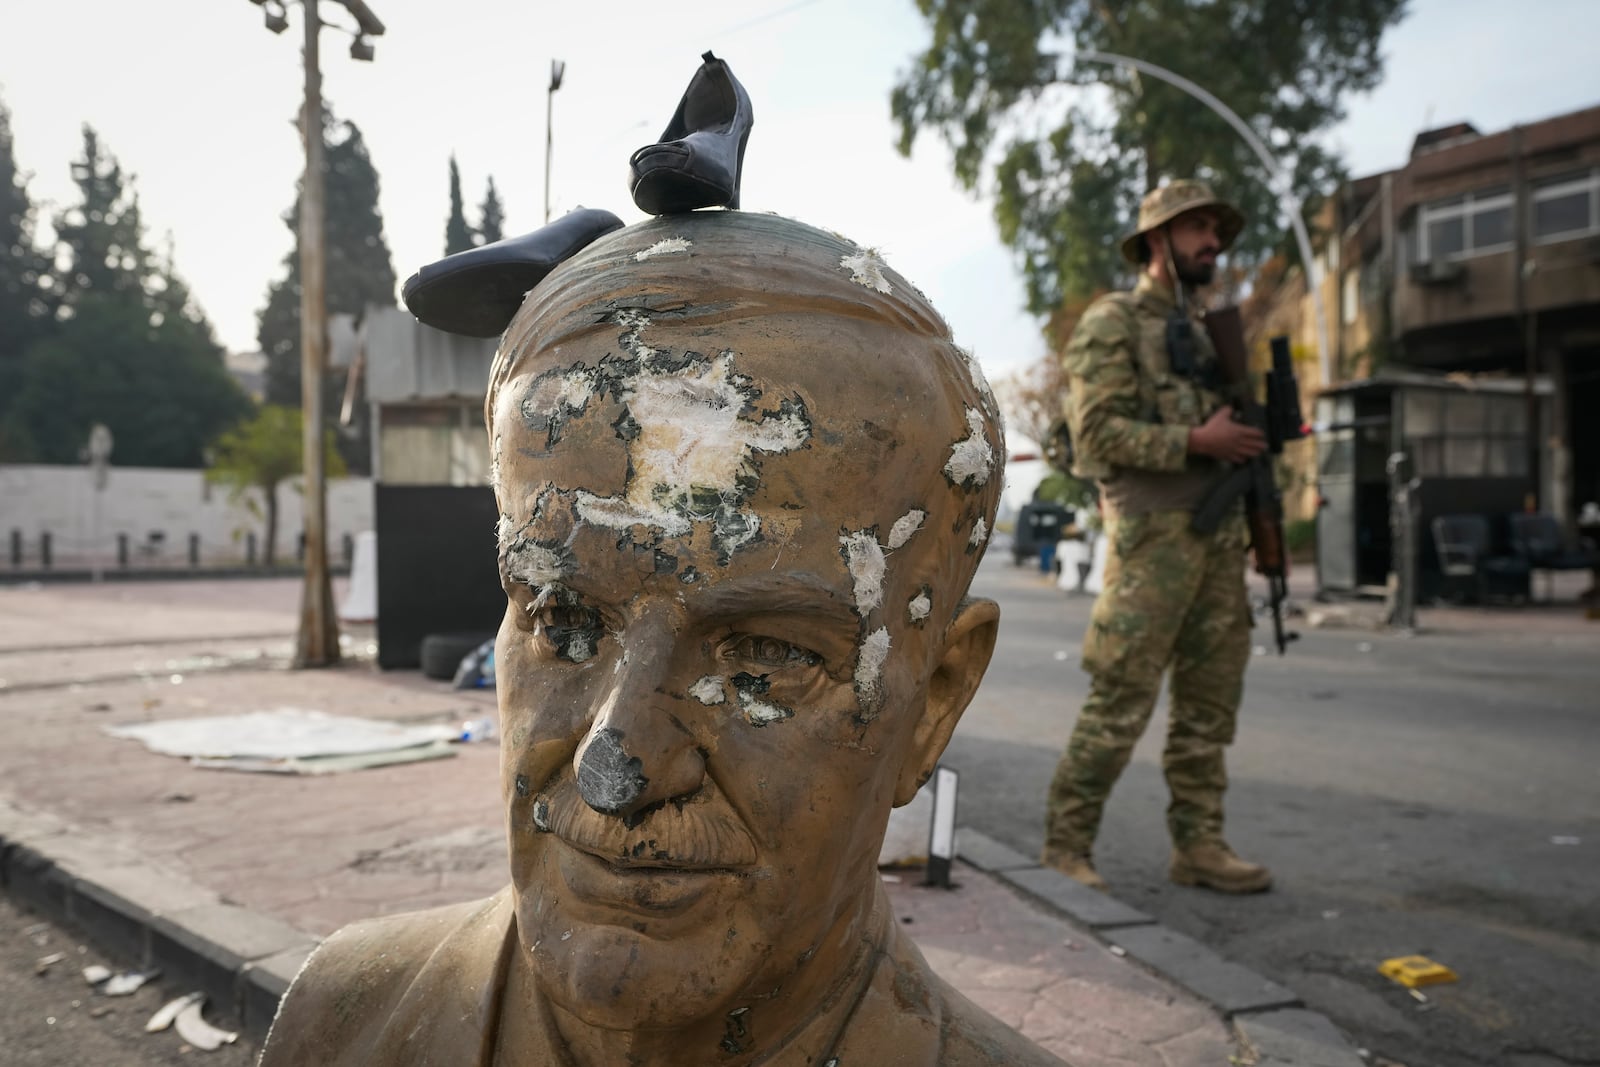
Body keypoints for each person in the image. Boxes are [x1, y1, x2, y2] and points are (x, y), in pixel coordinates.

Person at [260, 210, 1065, 1066]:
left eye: (769, 656)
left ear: (936, 701)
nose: (616, 768)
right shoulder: (342, 1021)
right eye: (564, 621)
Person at [1040, 180, 1274, 895]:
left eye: (1215, 228)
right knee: (1121, 698)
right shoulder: (1113, 323)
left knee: (1210, 705)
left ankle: (1199, 845)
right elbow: (1095, 435)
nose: (1212, 241)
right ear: (1156, 241)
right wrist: (1194, 438)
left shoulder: (1210, 335)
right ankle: (1065, 846)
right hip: (1153, 544)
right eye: (1197, 227)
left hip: (1218, 542)